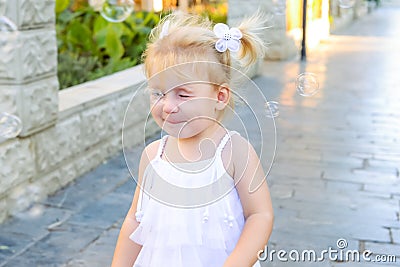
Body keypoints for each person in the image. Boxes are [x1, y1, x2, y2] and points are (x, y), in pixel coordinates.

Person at [112, 11, 274, 267]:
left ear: (219, 97)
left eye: (183, 95)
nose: (167, 105)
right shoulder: (154, 156)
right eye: (158, 93)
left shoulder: (233, 152)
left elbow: (260, 214)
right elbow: (135, 219)